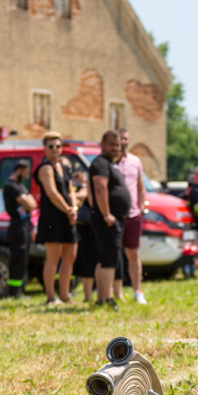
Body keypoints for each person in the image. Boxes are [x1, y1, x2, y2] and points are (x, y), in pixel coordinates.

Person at [34, 132, 78, 306]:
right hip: (52, 217)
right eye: (51, 146)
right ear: (45, 149)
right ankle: (51, 297)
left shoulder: (64, 167)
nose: (55, 149)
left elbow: (70, 191)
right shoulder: (45, 168)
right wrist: (68, 210)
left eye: (58, 146)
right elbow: (52, 193)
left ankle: (65, 295)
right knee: (53, 258)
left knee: (70, 257)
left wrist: (73, 208)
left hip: (68, 216)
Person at [89, 131, 130, 311]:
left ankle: (103, 297)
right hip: (107, 219)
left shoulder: (111, 164)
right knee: (108, 260)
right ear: (102, 144)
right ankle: (104, 299)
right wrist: (107, 214)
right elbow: (100, 188)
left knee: (105, 259)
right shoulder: (100, 163)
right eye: (112, 144)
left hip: (113, 218)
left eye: (118, 145)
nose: (115, 148)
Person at [117, 129, 147, 304]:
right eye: (120, 139)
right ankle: (117, 292)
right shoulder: (110, 162)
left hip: (133, 214)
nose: (123, 142)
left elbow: (140, 186)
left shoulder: (135, 161)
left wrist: (141, 206)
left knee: (133, 254)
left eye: (126, 139)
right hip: (115, 216)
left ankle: (138, 291)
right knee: (113, 255)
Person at [3, 159, 37, 298]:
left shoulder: (20, 186)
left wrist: (28, 201)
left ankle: (19, 289)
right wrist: (27, 201)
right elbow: (28, 203)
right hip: (17, 226)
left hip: (25, 225)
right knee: (18, 258)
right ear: (18, 170)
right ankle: (14, 291)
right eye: (25, 173)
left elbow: (33, 204)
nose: (27, 176)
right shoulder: (11, 186)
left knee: (23, 258)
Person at [71, 171, 96, 302]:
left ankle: (93, 294)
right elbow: (81, 195)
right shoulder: (84, 189)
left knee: (94, 262)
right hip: (86, 229)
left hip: (92, 228)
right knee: (88, 262)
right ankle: (88, 296)